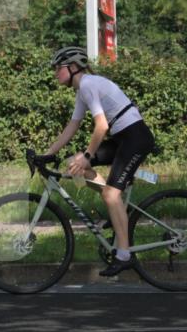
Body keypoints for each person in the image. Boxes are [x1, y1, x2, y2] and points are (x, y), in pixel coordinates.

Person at [43, 46, 156, 277]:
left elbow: (102, 126)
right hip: (123, 137)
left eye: (58, 68)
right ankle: (116, 212)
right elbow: (72, 127)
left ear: (73, 68)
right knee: (73, 164)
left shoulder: (88, 84)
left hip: (135, 137)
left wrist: (87, 157)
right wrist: (48, 154)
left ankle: (124, 255)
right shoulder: (82, 90)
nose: (56, 73)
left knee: (109, 193)